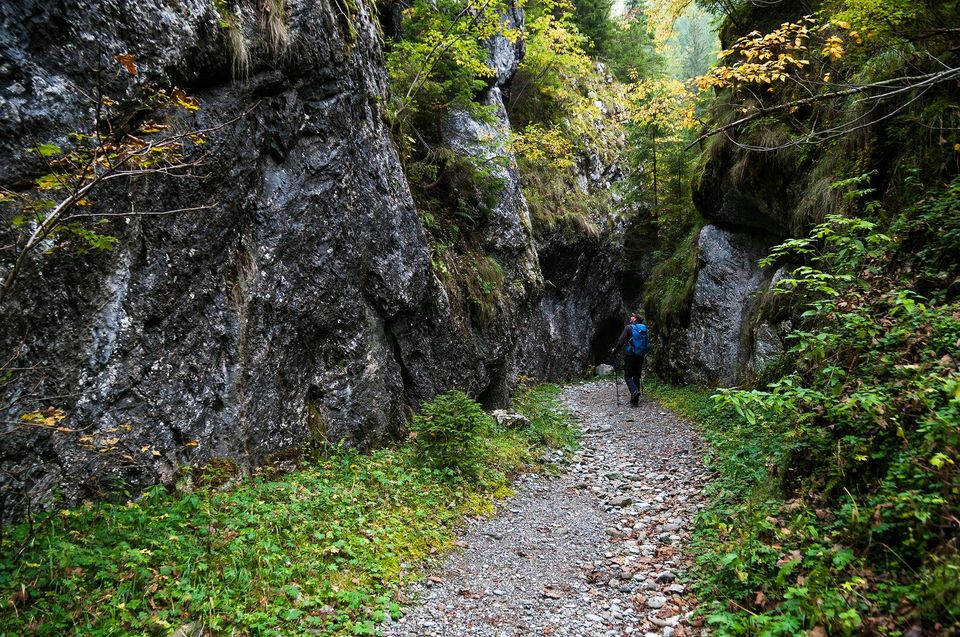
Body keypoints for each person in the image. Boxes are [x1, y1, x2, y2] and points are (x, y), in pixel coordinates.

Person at [611, 313, 649, 406]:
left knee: (628, 376)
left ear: (635, 319)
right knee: (636, 376)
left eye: (632, 316)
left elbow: (621, 341)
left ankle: (634, 391)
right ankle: (635, 401)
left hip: (631, 355)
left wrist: (615, 351)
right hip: (640, 355)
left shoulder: (629, 328)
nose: (630, 317)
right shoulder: (644, 328)